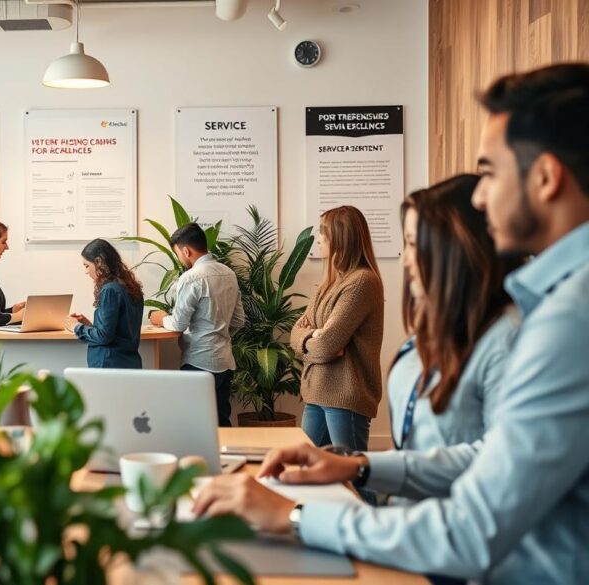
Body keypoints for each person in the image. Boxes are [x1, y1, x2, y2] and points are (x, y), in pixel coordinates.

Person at [193, 64, 589, 584]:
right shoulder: (555, 303)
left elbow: (470, 531)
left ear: (544, 177)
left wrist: (290, 516)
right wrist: (361, 466)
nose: (478, 195)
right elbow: (492, 454)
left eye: (489, 172)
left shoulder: (568, 320)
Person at [390, 175, 517, 468]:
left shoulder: (504, 341)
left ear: (452, 251)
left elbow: (495, 462)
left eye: (412, 244)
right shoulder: (427, 335)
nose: (405, 261)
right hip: (406, 508)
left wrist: (362, 467)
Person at [290, 205, 383, 453]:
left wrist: (318, 339)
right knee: (309, 473)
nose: (319, 240)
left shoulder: (362, 281)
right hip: (316, 393)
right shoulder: (328, 284)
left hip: (345, 396)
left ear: (341, 239)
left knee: (353, 478)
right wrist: (314, 336)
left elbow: (327, 346)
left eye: (324, 233)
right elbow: (296, 333)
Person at [149, 223, 245, 427]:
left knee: (195, 423)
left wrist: (159, 318)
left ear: (186, 250)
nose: (179, 259)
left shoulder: (191, 278)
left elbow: (177, 324)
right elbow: (238, 320)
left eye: (177, 254)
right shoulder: (228, 273)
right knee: (220, 420)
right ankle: (225, 459)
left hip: (199, 360)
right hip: (225, 360)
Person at [63, 238, 144, 369]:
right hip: (130, 364)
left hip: (109, 364)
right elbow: (118, 331)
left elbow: (104, 337)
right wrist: (88, 325)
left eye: (87, 265)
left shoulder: (110, 290)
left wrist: (75, 327)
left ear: (98, 261)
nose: (86, 271)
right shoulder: (131, 287)